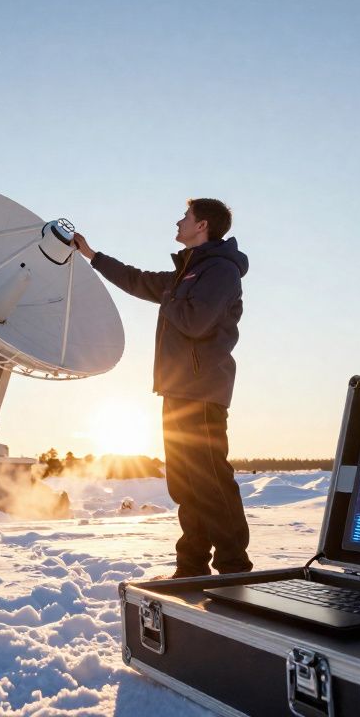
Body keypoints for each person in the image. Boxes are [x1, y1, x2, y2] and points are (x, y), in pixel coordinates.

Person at [71, 199, 252, 578]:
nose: (178, 221)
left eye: (185, 217)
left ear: (202, 225)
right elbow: (138, 280)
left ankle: (235, 568)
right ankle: (192, 566)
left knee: (211, 480)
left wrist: (169, 293)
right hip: (177, 389)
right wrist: (91, 255)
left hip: (202, 391)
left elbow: (196, 321)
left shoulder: (219, 270)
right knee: (186, 485)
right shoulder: (187, 271)